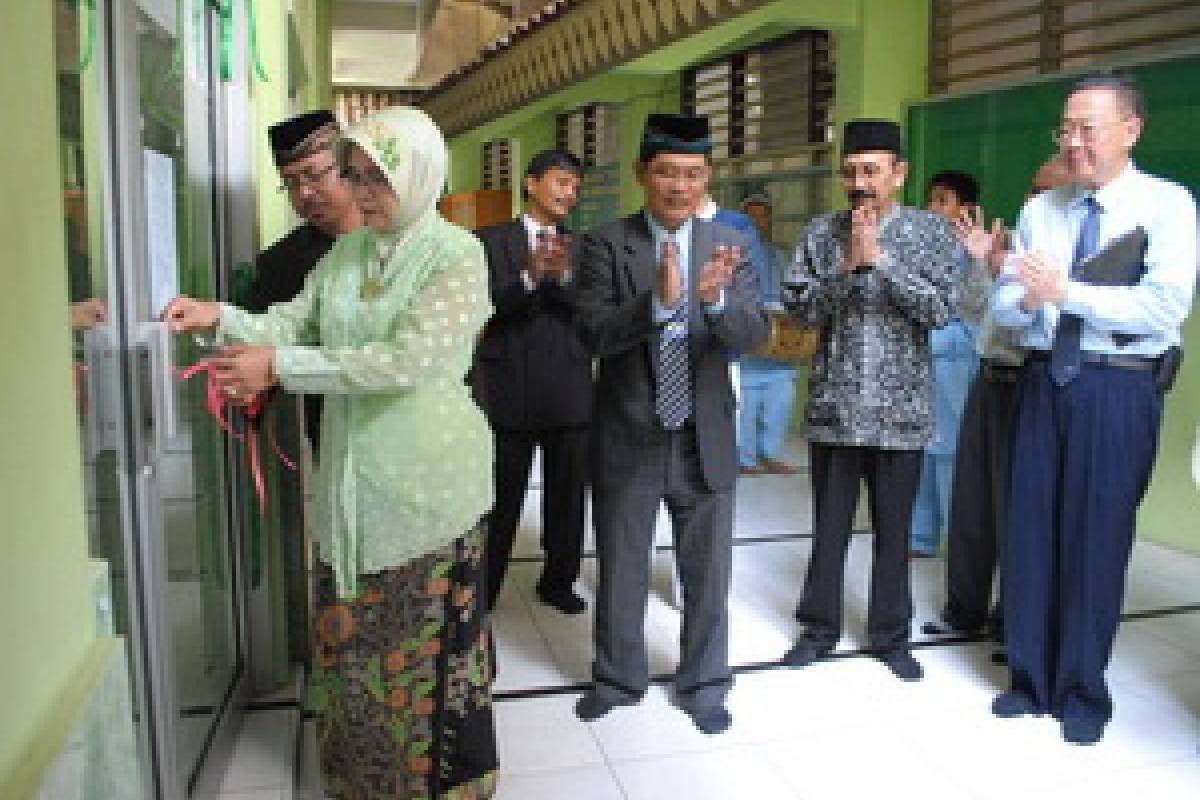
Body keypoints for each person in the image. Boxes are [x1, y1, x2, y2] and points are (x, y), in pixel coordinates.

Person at [163, 107, 499, 799]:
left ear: (420, 175)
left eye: (380, 177)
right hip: (350, 487)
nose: (365, 192)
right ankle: (359, 782)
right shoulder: (346, 253)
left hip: (427, 494)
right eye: (358, 175)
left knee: (423, 658)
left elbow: (402, 361)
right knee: (352, 658)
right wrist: (221, 317)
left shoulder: (456, 256)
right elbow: (292, 322)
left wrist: (281, 368)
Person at [990, 73, 1196, 745]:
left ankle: (1081, 691)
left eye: (1086, 129)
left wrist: (1064, 291)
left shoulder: (1168, 206)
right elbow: (1004, 304)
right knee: (1029, 530)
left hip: (1118, 387)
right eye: (1065, 130)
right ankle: (1028, 678)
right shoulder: (1043, 210)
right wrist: (1025, 300)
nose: (1072, 143)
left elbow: (1163, 306)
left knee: (1095, 538)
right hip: (1045, 378)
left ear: (1130, 130)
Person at [571, 113, 768, 734]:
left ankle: (706, 683)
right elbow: (590, 334)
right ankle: (617, 678)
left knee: (707, 571)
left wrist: (711, 302)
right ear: (642, 175)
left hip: (703, 432)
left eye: (691, 174)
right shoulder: (606, 243)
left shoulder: (728, 247)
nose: (678, 187)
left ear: (707, 176)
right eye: (665, 173)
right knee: (623, 564)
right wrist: (654, 303)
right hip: (629, 430)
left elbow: (755, 332)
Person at [780, 119, 958, 681]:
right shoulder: (820, 232)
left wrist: (881, 261)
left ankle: (890, 636)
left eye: (872, 171)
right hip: (835, 409)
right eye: (851, 171)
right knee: (827, 531)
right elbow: (801, 310)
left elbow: (940, 310)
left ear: (898, 174)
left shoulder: (931, 234)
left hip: (901, 415)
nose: (860, 183)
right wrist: (846, 267)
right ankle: (817, 628)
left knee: (893, 531)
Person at [923, 156, 1071, 642]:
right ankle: (963, 611)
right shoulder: (1012, 247)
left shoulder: (1071, 254)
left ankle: (1014, 623)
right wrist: (985, 265)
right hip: (989, 377)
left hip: (1033, 384)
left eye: (1045, 191)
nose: (1034, 200)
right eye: (1032, 189)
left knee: (1020, 513)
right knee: (971, 503)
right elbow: (980, 313)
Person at [474, 149, 591, 615]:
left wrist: (561, 281)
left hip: (569, 388)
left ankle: (558, 581)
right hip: (507, 390)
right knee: (501, 498)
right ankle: (486, 588)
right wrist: (528, 278)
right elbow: (481, 304)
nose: (569, 193)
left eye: (576, 187)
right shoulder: (489, 241)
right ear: (531, 183)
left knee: (567, 497)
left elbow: (592, 309)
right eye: (562, 182)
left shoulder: (584, 247)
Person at [245, 110, 364, 453]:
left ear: (346, 167)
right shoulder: (280, 265)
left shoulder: (397, 238)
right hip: (333, 434)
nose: (305, 193)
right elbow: (262, 341)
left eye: (313, 175)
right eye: (292, 183)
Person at [909, 171, 985, 557]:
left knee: (951, 459)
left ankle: (960, 546)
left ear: (965, 209)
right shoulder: (924, 248)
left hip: (954, 364)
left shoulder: (976, 254)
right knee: (921, 453)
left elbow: (974, 317)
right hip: (922, 367)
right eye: (931, 199)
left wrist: (935, 340)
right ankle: (919, 537)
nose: (933, 208)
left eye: (943, 200)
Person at [737, 191, 801, 475]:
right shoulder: (732, 254)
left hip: (780, 348)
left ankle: (771, 454)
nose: (758, 221)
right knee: (746, 410)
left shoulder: (780, 256)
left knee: (779, 404)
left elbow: (793, 292)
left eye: (763, 215)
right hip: (748, 349)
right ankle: (745, 460)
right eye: (751, 216)